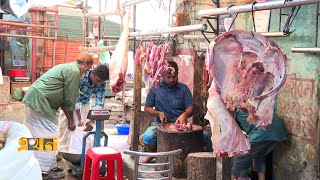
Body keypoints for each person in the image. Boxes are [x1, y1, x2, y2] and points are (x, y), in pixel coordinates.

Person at [22, 53, 94, 179]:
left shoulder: (69, 68)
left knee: (35, 134)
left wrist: (71, 120)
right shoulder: (74, 72)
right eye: (88, 69)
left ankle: (41, 165)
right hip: (40, 100)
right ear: (85, 64)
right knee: (48, 135)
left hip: (35, 97)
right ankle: (44, 171)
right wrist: (71, 120)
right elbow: (69, 100)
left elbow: (64, 102)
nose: (86, 72)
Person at [139, 61, 194, 163]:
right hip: (160, 124)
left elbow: (190, 108)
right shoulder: (155, 87)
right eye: (168, 77)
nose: (172, 79)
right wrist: (158, 113)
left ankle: (155, 155)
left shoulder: (183, 89)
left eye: (174, 77)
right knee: (147, 138)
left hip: (180, 124)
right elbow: (147, 108)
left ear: (177, 74)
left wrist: (184, 115)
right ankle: (154, 153)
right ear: (163, 75)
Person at [57, 64, 109, 151]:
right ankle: (61, 152)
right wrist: (77, 119)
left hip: (85, 104)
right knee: (65, 128)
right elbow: (74, 98)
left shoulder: (102, 83)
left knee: (81, 131)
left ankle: (77, 152)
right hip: (70, 102)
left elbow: (99, 102)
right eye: (98, 80)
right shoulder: (80, 77)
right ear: (93, 74)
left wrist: (92, 120)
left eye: (101, 82)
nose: (99, 83)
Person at [231, 108, 287, 180]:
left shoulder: (240, 113)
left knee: (241, 155)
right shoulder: (242, 109)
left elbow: (248, 131)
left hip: (266, 130)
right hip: (276, 130)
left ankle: (235, 177)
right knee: (258, 155)